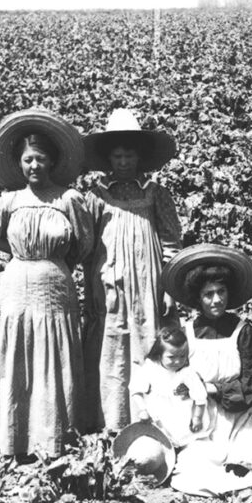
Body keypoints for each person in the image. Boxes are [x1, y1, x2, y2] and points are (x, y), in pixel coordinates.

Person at [0, 108, 93, 459]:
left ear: (52, 162)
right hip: (15, 287)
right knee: (16, 354)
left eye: (40, 159)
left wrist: (55, 264)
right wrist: (20, 255)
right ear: (20, 163)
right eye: (28, 160)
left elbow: (83, 244)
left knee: (53, 356)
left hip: (55, 287)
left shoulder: (69, 200)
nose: (34, 166)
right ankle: (12, 437)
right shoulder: (10, 200)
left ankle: (53, 437)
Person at [82, 108, 180, 433]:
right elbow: (85, 242)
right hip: (109, 282)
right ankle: (111, 420)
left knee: (147, 339)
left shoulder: (154, 193)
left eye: (129, 156)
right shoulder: (96, 196)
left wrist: (169, 286)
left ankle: (148, 419)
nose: (123, 162)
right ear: (109, 159)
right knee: (112, 343)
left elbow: (170, 240)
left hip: (149, 283)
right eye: (118, 156)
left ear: (139, 158)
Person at [161, 244, 252, 496]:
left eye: (221, 292)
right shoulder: (186, 332)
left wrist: (213, 388)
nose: (216, 300)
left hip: (237, 415)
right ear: (198, 299)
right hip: (201, 418)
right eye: (208, 294)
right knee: (195, 468)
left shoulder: (243, 331)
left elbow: (251, 383)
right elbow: (175, 379)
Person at [129, 325, 209, 448]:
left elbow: (200, 397)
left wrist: (197, 417)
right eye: (171, 357)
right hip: (159, 412)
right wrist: (143, 409)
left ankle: (182, 447)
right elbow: (136, 389)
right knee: (159, 440)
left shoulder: (187, 372)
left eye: (182, 356)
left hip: (182, 413)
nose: (178, 361)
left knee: (188, 441)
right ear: (159, 354)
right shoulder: (151, 367)